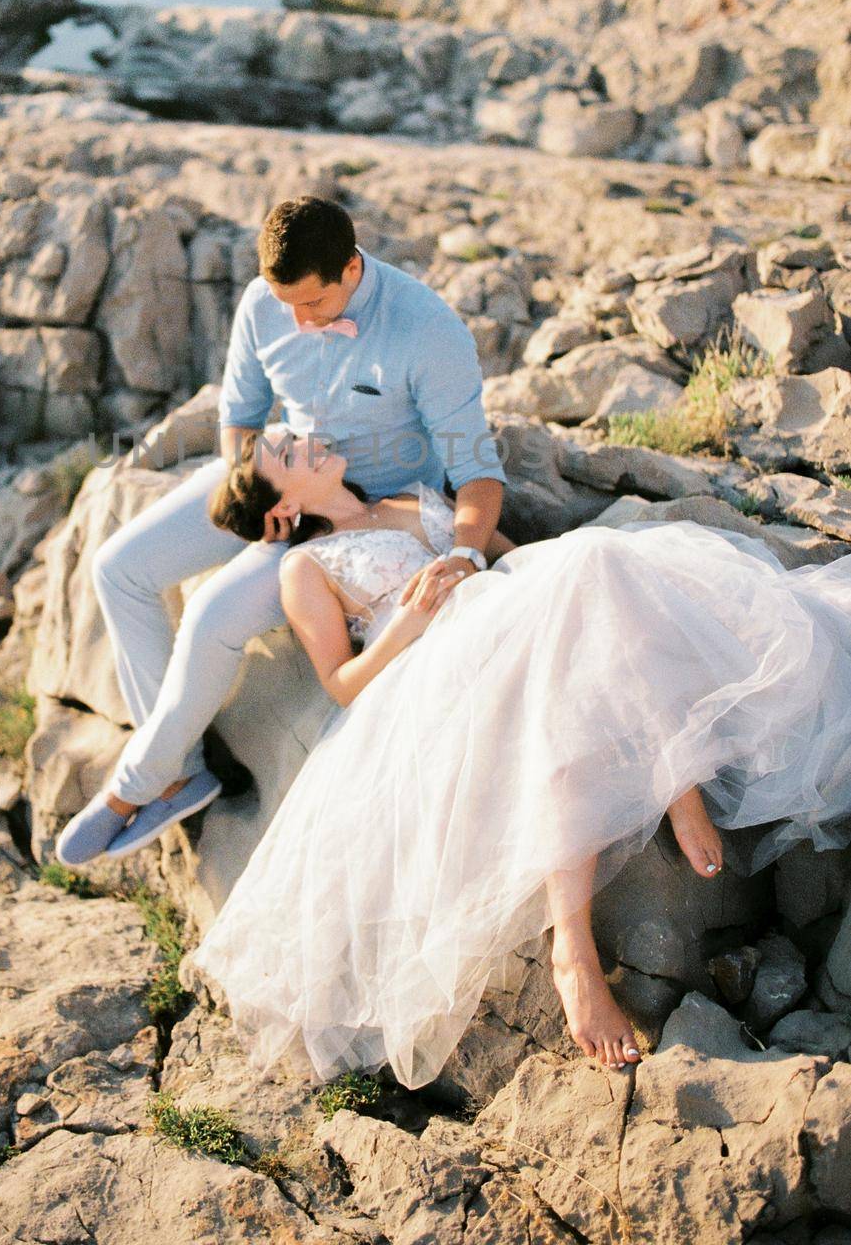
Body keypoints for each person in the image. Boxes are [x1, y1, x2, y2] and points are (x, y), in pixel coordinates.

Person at [188, 427, 851, 1086]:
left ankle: (670, 791)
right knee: (580, 615)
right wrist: (406, 623)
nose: (308, 441)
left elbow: (517, 559)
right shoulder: (304, 568)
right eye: (289, 454)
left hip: (508, 611)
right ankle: (579, 949)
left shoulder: (407, 498)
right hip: (437, 659)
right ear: (280, 508)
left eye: (300, 437)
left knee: (590, 569)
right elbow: (340, 684)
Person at [56, 196, 511, 866]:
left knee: (212, 614)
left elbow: (476, 470)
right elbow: (238, 416)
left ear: (351, 270)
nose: (295, 321)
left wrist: (466, 554)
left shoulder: (426, 329)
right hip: (276, 470)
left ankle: (137, 782)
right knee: (117, 567)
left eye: (311, 306)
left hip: (360, 511)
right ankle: (179, 770)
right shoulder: (263, 304)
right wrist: (258, 496)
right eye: (283, 303)